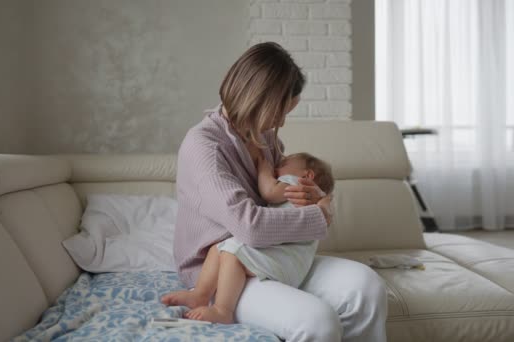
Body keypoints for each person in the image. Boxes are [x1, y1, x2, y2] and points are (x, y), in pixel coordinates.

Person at [163, 42, 388, 342]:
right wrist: (318, 216)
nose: (282, 123)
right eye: (280, 111)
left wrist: (313, 196)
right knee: (317, 322)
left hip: (270, 254)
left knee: (367, 286)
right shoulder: (204, 146)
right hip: (222, 270)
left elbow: (281, 194)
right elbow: (249, 226)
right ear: (259, 99)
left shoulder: (264, 136)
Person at [162, 152, 334, 324]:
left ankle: (222, 310)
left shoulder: (297, 184)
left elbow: (269, 191)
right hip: (287, 259)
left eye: (284, 163)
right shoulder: (312, 200)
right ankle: (200, 295)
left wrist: (264, 170)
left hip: (284, 258)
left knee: (232, 254)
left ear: (307, 175)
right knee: (219, 247)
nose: (277, 166)